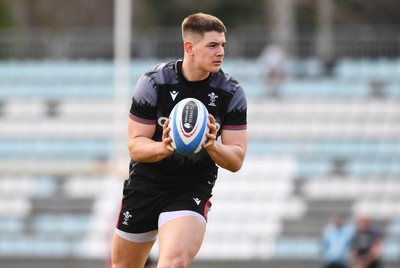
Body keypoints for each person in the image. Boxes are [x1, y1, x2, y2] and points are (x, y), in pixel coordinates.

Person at [111, 13, 247, 268]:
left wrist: (212, 144)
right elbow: (135, 146)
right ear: (189, 48)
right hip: (146, 184)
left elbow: (237, 158)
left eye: (223, 45)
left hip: (191, 187)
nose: (221, 52)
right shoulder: (153, 83)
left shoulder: (231, 92)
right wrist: (164, 147)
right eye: (212, 45)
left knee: (175, 262)